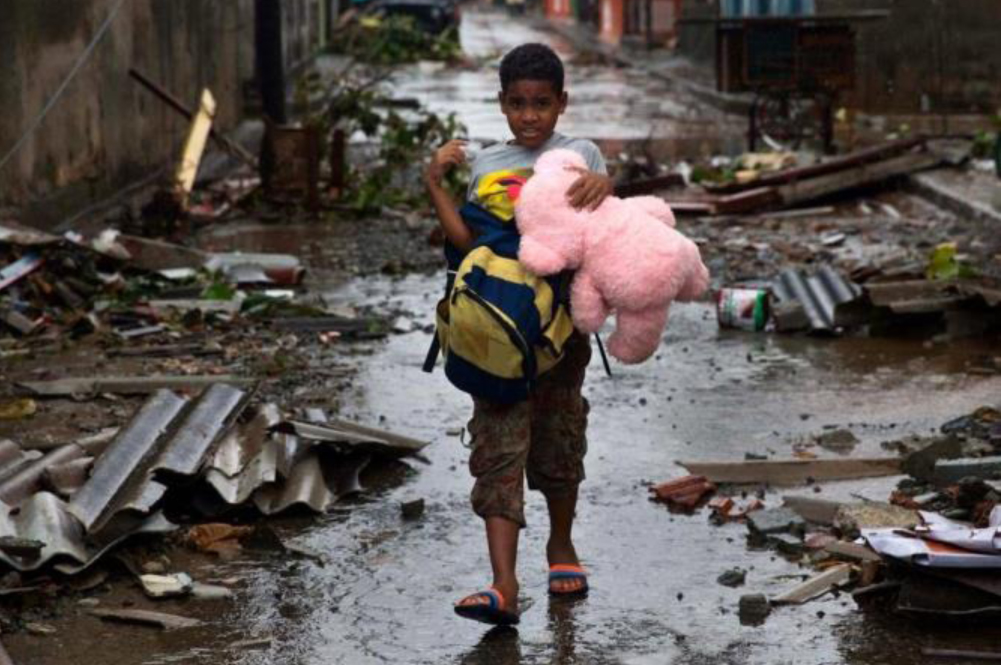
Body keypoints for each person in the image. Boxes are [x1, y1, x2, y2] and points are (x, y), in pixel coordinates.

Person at [424, 42, 613, 626]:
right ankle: (503, 583)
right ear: (501, 104)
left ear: (562, 103)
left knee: (558, 436)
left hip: (558, 330)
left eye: (541, 103)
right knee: (497, 444)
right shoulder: (485, 165)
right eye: (517, 103)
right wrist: (435, 181)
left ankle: (561, 546)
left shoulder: (581, 154)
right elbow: (466, 243)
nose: (529, 115)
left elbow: (603, 224)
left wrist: (604, 189)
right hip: (492, 327)